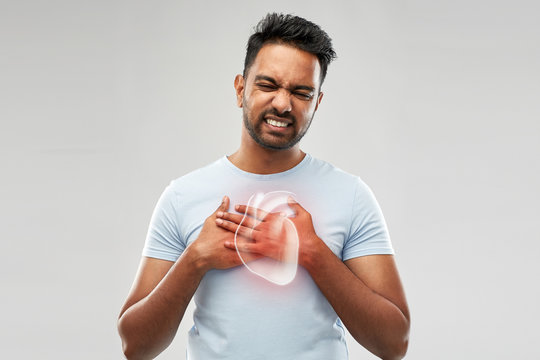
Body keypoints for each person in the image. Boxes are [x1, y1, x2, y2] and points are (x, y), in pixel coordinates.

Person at [118, 13, 410, 360]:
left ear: (316, 103)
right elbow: (134, 346)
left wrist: (312, 252)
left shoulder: (351, 195)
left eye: (301, 92)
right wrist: (195, 259)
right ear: (241, 89)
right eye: (268, 85)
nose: (283, 104)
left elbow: (394, 343)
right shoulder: (182, 196)